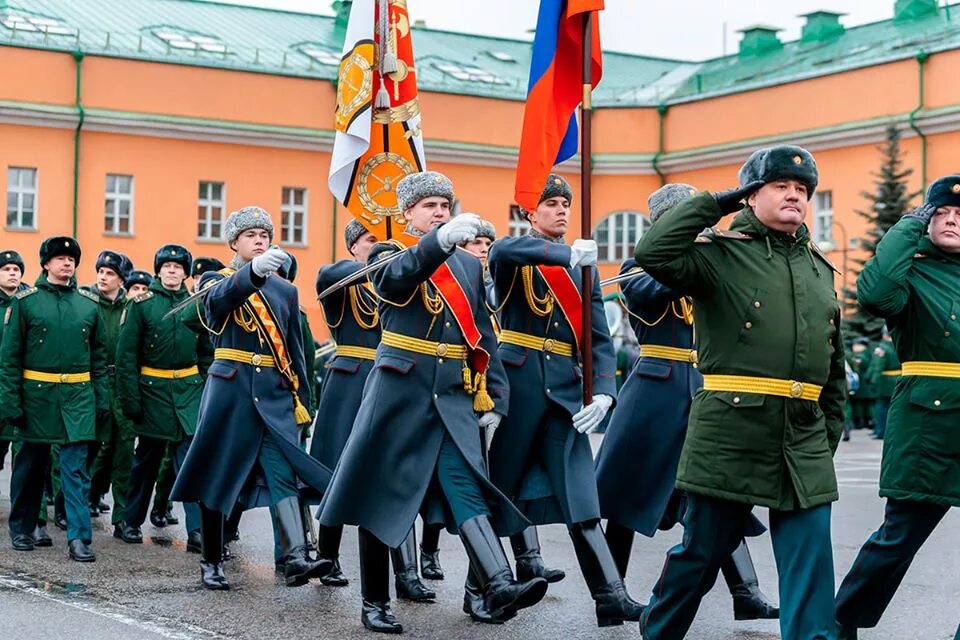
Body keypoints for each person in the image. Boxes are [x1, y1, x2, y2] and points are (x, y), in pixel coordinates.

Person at [318, 172, 547, 633]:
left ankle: (498, 581)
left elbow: (483, 333)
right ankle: (375, 601)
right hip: (399, 390)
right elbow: (398, 281)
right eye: (428, 206)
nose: (440, 212)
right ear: (407, 215)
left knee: (468, 486)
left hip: (452, 394)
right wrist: (439, 242)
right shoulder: (388, 255)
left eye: (445, 205)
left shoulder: (466, 265)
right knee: (379, 491)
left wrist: (495, 397)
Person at [634, 145, 846, 640]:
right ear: (752, 196)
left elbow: (832, 363)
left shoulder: (820, 269)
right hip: (732, 429)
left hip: (803, 437)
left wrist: (826, 433)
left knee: (811, 559)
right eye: (780, 186)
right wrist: (718, 202)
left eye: (802, 190)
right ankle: (659, 629)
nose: (795, 195)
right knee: (701, 555)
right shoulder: (719, 255)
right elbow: (653, 253)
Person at [595, 184, 778, 622]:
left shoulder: (708, 262)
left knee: (717, 492)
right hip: (655, 389)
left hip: (703, 386)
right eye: (689, 218)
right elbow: (645, 294)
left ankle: (746, 593)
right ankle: (610, 594)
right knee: (626, 495)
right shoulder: (638, 264)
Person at [487, 173, 642, 628]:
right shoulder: (516, 256)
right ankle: (482, 590)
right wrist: (566, 253)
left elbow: (598, 338)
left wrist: (606, 395)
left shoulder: (582, 269)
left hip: (566, 394)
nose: (561, 211)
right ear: (529, 212)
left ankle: (610, 596)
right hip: (517, 388)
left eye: (565, 204)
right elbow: (503, 251)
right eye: (550, 203)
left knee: (582, 497)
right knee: (503, 490)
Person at [172, 206, 332, 591]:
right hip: (232, 391)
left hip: (275, 396)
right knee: (218, 475)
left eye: (265, 235)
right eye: (250, 236)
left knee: (283, 476)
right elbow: (217, 306)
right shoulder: (218, 279)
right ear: (233, 243)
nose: (259, 241)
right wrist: (253, 274)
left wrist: (302, 404)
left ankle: (295, 556)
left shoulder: (285, 290)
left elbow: (297, 353)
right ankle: (211, 560)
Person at [835, 176, 960, 639]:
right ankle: (843, 619)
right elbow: (873, 294)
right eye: (941, 214)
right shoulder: (914, 269)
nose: (951, 222)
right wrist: (909, 225)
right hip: (928, 418)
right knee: (899, 537)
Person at [0, 237, 109, 562]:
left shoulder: (89, 305)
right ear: (46, 264)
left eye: (71, 259)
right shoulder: (26, 303)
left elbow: (99, 358)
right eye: (60, 258)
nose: (67, 263)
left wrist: (101, 399)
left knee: (75, 470)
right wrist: (11, 404)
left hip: (77, 398)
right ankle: (23, 527)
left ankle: (79, 538)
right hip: (36, 398)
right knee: (30, 467)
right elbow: (10, 359)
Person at [114, 245, 211, 554]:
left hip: (187, 391)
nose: (172, 271)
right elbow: (126, 356)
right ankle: (130, 521)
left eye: (178, 267)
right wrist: (131, 401)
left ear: (185, 273)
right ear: (158, 271)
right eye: (166, 266)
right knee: (147, 462)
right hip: (152, 392)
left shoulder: (196, 304)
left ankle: (196, 530)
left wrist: (206, 388)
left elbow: (207, 352)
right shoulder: (142, 305)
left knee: (191, 463)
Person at [85, 251, 136, 530]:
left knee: (124, 452)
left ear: (121, 279)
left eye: (110, 273)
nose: (103, 277)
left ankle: (123, 519)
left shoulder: (132, 307)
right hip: (95, 381)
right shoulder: (88, 303)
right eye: (100, 272)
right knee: (88, 448)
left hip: (124, 383)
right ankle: (72, 506)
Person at [0, 250, 28, 500]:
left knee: (23, 453)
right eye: (7, 269)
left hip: (24, 388)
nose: (12, 273)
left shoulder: (28, 302)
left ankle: (22, 506)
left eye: (17, 269)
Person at [866, 328, 899, 440]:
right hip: (899, 378)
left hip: (885, 381)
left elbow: (878, 367)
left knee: (881, 407)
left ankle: (880, 431)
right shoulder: (900, 345)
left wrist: (873, 381)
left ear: (884, 335)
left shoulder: (882, 348)